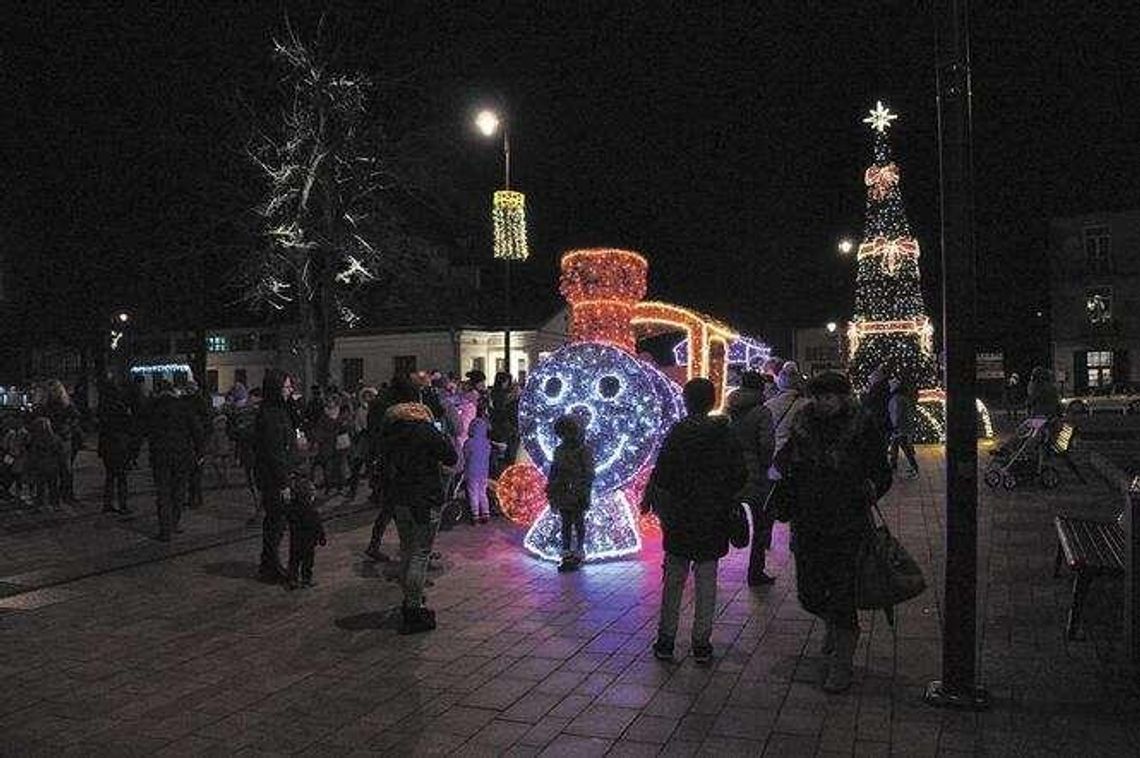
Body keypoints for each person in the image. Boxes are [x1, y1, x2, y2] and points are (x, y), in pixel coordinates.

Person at [772, 371, 891, 693]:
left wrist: (866, 489)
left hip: (846, 524)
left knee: (841, 593)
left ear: (843, 397)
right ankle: (834, 627)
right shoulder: (803, 425)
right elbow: (785, 463)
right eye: (818, 396)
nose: (822, 403)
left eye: (829, 396)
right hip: (808, 522)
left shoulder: (861, 427)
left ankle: (842, 663)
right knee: (809, 593)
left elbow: (882, 472)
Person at [644, 378, 747, 664]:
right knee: (706, 580)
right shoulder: (725, 434)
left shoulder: (677, 433)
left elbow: (662, 474)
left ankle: (666, 640)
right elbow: (740, 475)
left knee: (674, 580)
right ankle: (701, 642)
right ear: (713, 401)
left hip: (680, 516)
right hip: (713, 515)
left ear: (685, 402)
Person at [375, 379, 458, 634]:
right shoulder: (424, 428)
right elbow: (450, 456)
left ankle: (410, 600)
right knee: (420, 554)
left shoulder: (389, 428)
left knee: (407, 550)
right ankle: (413, 608)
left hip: (399, 498)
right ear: (416, 401)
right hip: (424, 499)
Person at [726, 371, 776, 586]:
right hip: (755, 470)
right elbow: (766, 444)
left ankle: (702, 561)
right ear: (760, 388)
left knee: (727, 514)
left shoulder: (730, 409)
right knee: (761, 522)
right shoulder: (762, 412)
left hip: (733, 469)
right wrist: (764, 464)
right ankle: (756, 572)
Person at [254, 370, 298, 582]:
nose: (290, 391)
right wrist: (284, 482)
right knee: (275, 522)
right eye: (287, 387)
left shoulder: (280, 410)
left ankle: (269, 563)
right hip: (273, 479)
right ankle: (270, 565)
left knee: (278, 522)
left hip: (279, 475)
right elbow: (274, 452)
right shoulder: (269, 415)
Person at [146, 381, 204, 542]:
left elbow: (145, 430)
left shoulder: (154, 408)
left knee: (163, 492)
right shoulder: (184, 406)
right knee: (179, 489)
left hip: (160, 455)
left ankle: (164, 530)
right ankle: (174, 522)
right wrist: (200, 452)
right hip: (181, 454)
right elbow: (197, 430)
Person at [546, 414, 595, 572]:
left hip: (577, 491)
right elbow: (554, 470)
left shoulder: (584, 450)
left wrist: (584, 491)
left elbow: (589, 473)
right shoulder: (560, 450)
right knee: (566, 522)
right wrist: (551, 489)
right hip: (563, 490)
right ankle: (567, 552)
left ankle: (579, 551)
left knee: (578, 521)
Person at [39, 380, 81, 502]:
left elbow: (76, 417)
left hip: (62, 437)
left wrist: (68, 427)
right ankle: (60, 495)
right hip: (55, 438)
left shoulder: (64, 404)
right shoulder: (50, 405)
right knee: (58, 469)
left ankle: (63, 495)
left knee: (64, 469)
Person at [97, 379, 135, 515]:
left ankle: (107, 503)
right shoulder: (120, 406)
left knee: (110, 476)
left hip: (107, 444)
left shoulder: (102, 407)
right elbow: (128, 424)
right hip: (119, 444)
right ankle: (123, 504)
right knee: (122, 476)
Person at [284, 475, 327, 590]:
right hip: (309, 542)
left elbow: (289, 519)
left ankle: (292, 579)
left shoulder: (293, 509)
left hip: (296, 540)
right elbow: (318, 526)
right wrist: (322, 538)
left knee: (294, 561)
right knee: (307, 563)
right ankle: (306, 580)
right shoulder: (313, 511)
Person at [27, 417, 67, 507]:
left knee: (46, 486)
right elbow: (61, 453)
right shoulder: (55, 438)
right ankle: (53, 503)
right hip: (50, 465)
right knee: (50, 486)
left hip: (46, 465)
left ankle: (45, 503)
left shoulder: (38, 439)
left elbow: (34, 454)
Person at [463, 417, 496, 524]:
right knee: (482, 492)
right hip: (484, 470)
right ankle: (486, 513)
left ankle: (475, 514)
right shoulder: (487, 444)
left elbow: (465, 455)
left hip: (471, 470)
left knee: (473, 492)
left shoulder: (469, 442)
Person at [887, 377, 920, 478]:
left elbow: (897, 413)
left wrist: (895, 425)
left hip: (899, 427)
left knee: (902, 446)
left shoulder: (897, 399)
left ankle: (913, 467)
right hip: (902, 426)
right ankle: (895, 465)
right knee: (897, 444)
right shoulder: (902, 397)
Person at [489, 372, 519, 476]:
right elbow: (502, 410)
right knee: (505, 452)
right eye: (507, 381)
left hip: (498, 426)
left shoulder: (494, 393)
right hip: (503, 427)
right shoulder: (501, 396)